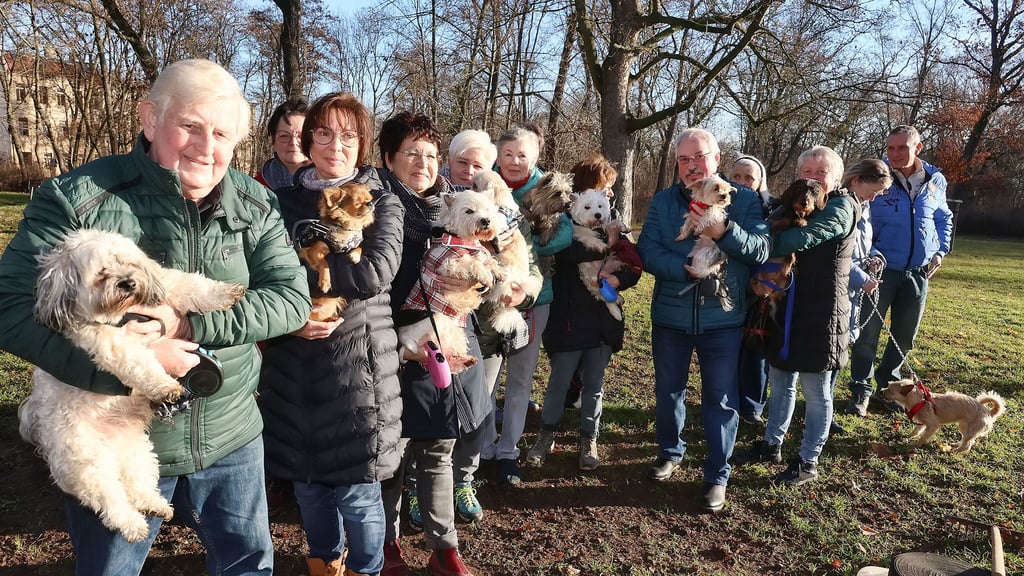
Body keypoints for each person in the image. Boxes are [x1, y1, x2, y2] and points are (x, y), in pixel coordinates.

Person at [0, 58, 312, 575]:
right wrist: (129, 362)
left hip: (230, 432)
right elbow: (10, 309)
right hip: (111, 434)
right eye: (189, 126)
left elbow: (290, 299)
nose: (206, 147)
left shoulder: (255, 201)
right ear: (150, 119)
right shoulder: (77, 199)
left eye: (221, 134)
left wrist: (184, 325)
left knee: (248, 565)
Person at [258, 92, 403, 576]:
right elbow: (261, 272)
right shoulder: (278, 201)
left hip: (357, 370)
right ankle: (325, 565)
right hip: (292, 367)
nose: (334, 144)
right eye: (323, 133)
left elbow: (373, 275)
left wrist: (310, 261)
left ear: (362, 143)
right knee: (308, 488)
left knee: (359, 495)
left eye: (347, 135)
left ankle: (365, 569)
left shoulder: (385, 200)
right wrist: (292, 313)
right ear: (308, 139)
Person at [378, 112, 490, 576]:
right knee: (392, 453)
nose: (422, 163)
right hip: (394, 350)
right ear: (387, 158)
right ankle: (387, 545)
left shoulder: (452, 207)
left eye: (428, 154)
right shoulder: (380, 208)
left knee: (440, 448)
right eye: (410, 153)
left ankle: (445, 549)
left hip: (447, 347)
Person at [636, 128, 769, 512]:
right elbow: (648, 250)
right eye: (684, 159)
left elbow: (760, 250)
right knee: (668, 391)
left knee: (721, 400)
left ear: (716, 159)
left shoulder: (742, 200)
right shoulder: (663, 201)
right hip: (670, 318)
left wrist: (724, 232)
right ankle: (670, 451)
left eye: (700, 157)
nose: (692, 166)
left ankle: (717, 475)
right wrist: (685, 268)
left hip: (723, 318)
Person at [735, 146, 859, 486]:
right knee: (781, 381)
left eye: (821, 172)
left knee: (817, 391)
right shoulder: (788, 205)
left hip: (822, 313)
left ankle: (807, 462)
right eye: (807, 171)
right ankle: (771, 444)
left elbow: (807, 236)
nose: (813, 177)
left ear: (835, 178)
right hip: (789, 306)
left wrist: (751, 244)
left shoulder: (842, 206)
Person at [525, 155, 642, 470]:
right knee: (559, 382)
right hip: (568, 316)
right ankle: (545, 435)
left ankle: (589, 437)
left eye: (609, 191)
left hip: (602, 318)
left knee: (595, 383)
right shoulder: (561, 218)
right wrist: (604, 244)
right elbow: (559, 251)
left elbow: (633, 262)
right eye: (604, 188)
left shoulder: (613, 217)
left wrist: (621, 277)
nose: (609, 195)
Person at [483, 125, 572, 486]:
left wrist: (531, 237)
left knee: (519, 379)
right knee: (485, 382)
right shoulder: (484, 184)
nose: (515, 162)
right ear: (497, 156)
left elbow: (564, 235)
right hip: (487, 300)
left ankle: (508, 452)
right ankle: (484, 447)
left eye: (522, 155)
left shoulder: (548, 189)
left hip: (534, 300)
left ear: (534, 155)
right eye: (508, 155)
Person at [846, 126, 954, 416]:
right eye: (890, 148)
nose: (894, 154)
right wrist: (871, 256)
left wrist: (940, 251)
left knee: (905, 336)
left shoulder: (935, 180)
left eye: (902, 148)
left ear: (917, 148)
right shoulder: (877, 176)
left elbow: (944, 217)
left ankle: (889, 386)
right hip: (880, 271)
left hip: (918, 273)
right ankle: (860, 390)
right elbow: (861, 221)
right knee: (868, 334)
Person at [829, 160, 894, 408]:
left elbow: (861, 248)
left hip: (853, 292)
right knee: (835, 348)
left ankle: (827, 406)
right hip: (840, 288)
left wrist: (876, 257)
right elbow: (840, 254)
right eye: (873, 191)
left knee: (841, 349)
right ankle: (824, 409)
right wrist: (863, 279)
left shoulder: (863, 206)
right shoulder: (841, 205)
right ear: (857, 180)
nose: (874, 198)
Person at [730, 154, 774, 426]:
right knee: (729, 348)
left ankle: (752, 405)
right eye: (737, 177)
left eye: (750, 178)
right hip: (729, 287)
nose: (743, 182)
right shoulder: (719, 201)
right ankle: (729, 399)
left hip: (761, 290)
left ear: (760, 183)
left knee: (757, 350)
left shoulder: (772, 209)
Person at [255, 97, 311, 189]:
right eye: (284, 136)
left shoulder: (332, 189)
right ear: (273, 142)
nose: (293, 142)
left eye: (301, 136)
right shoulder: (253, 190)